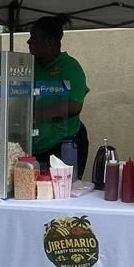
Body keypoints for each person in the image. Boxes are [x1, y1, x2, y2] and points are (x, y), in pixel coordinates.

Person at [27, 14, 89, 177]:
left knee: (62, 189)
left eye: (34, 37)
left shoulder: (70, 67)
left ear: (48, 41)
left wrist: (33, 115)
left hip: (63, 147)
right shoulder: (30, 67)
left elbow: (73, 106)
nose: (28, 42)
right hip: (35, 147)